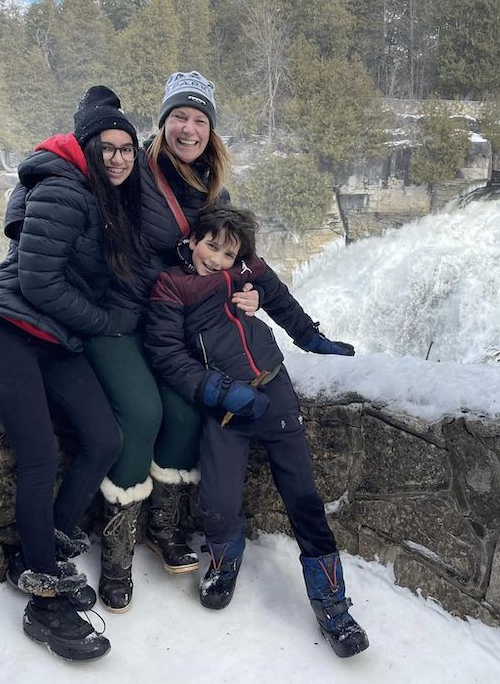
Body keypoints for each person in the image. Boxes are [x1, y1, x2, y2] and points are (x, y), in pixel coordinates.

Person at [143, 203, 370, 659]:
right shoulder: (172, 285)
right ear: (193, 239)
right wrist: (217, 389)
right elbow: (165, 352)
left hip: (275, 391)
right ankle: (225, 567)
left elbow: (281, 301)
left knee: (303, 499)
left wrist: (311, 339)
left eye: (228, 254)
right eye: (211, 245)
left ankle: (332, 606)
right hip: (225, 407)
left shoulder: (248, 270)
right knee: (219, 502)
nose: (217, 259)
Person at [0, 85, 147, 660]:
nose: (120, 157)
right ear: (87, 147)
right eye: (109, 147)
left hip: (57, 337)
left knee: (103, 439)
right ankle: (45, 603)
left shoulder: (105, 198)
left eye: (128, 148)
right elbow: (37, 281)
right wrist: (100, 320)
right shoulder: (66, 190)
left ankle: (41, 549)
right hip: (12, 331)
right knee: (42, 454)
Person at [83, 71, 259, 613]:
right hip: (118, 316)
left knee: (185, 410)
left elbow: (228, 255)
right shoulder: (133, 168)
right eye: (179, 116)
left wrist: (247, 293)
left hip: (171, 323)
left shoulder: (212, 190)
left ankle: (161, 525)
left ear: (211, 131)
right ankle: (116, 549)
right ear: (162, 124)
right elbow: (73, 187)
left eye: (199, 119)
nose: (189, 127)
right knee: (142, 413)